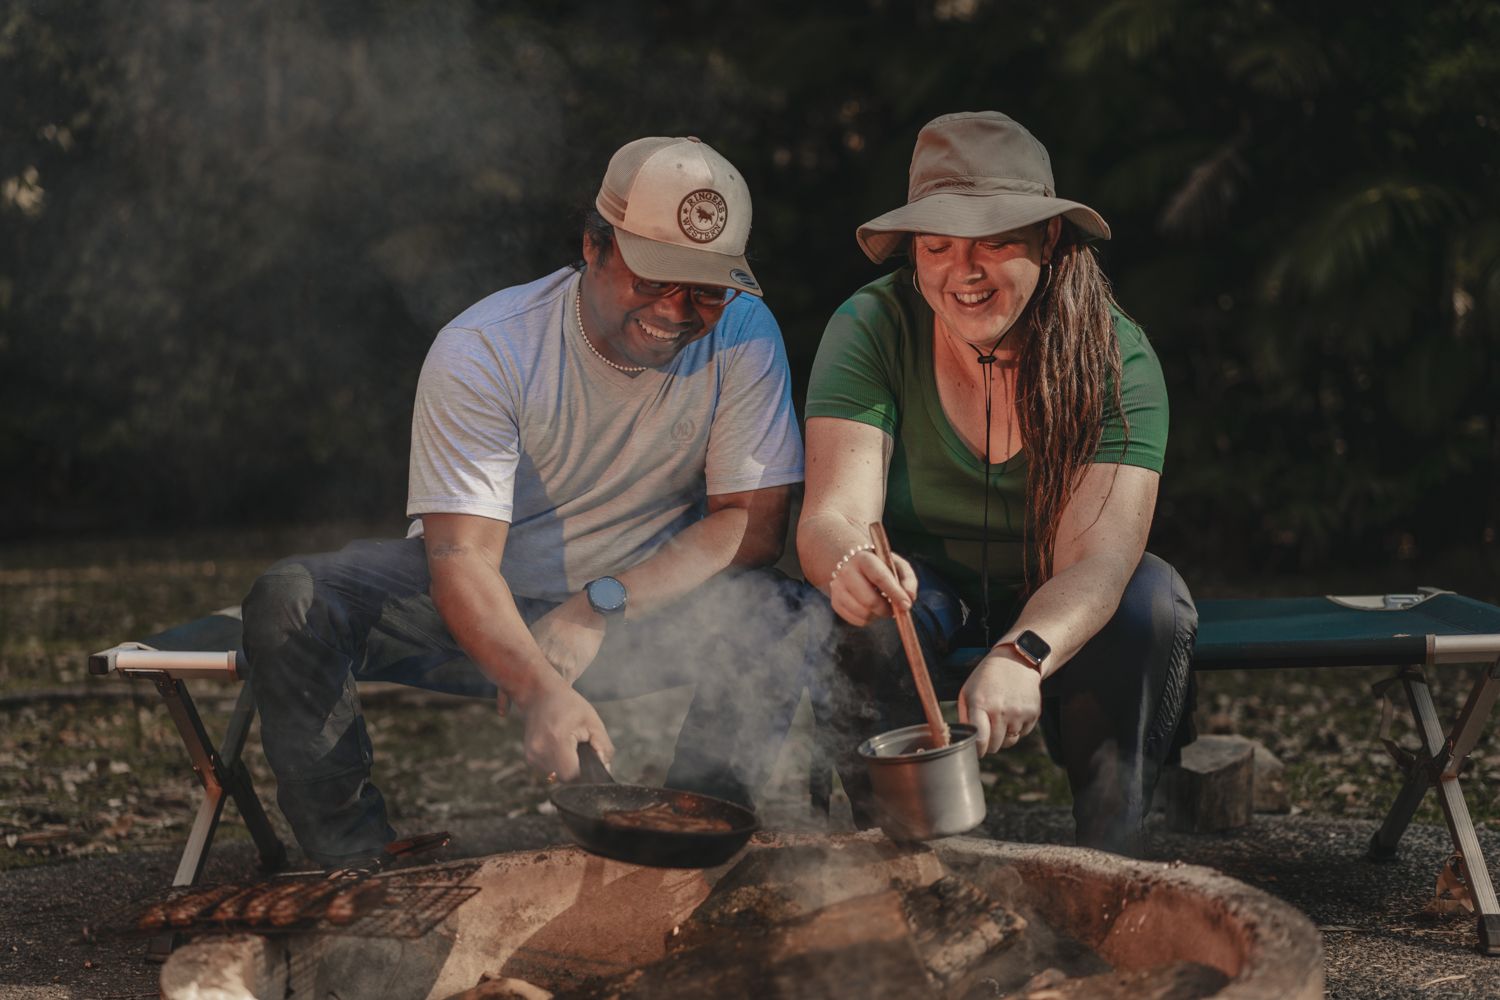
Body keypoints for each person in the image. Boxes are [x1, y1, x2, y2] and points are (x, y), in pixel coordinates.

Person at [243, 136, 825, 869]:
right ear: (593, 246)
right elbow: (459, 556)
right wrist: (538, 684)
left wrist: (600, 604)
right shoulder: (488, 347)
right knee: (294, 598)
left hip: (642, 612)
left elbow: (753, 524)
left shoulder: (742, 333)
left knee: (783, 612)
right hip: (483, 610)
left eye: (706, 289)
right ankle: (357, 865)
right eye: (655, 279)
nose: (678, 311)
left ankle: (686, 841)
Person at [797, 111, 1197, 856]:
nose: (963, 271)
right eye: (937, 246)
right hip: (926, 583)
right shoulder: (871, 326)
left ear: (1049, 241)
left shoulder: (1116, 357)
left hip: (1057, 583)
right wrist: (851, 564)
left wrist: (1022, 654)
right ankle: (889, 865)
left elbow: (1100, 563)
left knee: (1151, 601)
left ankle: (1107, 866)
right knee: (864, 619)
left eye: (996, 242)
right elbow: (832, 517)